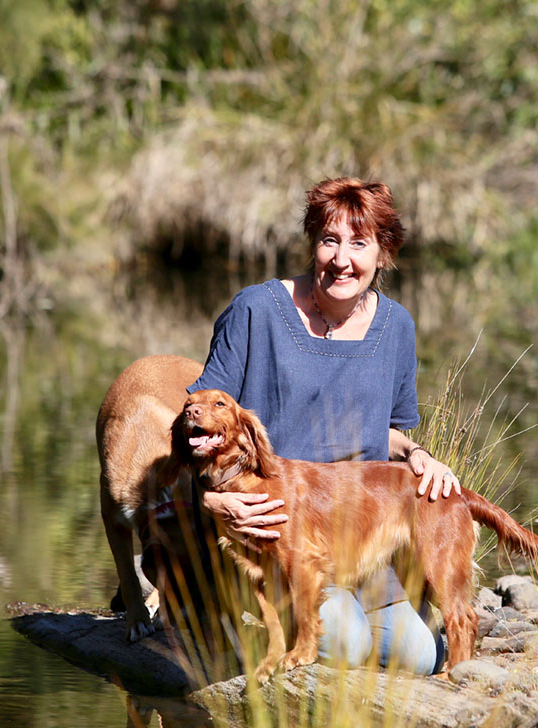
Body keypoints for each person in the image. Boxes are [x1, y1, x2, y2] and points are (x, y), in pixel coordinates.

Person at [188, 177, 461, 675]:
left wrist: (418, 455)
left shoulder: (397, 326)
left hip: (360, 539)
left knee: (418, 657)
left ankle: (350, 615)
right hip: (277, 540)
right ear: (312, 243)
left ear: (384, 254)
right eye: (329, 240)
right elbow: (197, 425)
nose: (342, 259)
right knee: (349, 647)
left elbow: (390, 433)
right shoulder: (256, 310)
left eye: (360, 244)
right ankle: (239, 621)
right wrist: (213, 499)